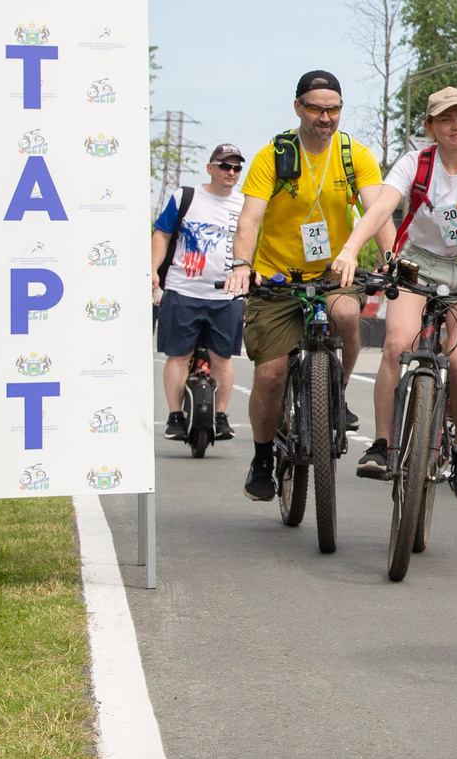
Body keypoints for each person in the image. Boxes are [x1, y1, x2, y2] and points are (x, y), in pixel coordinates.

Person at [333, 88, 457, 500]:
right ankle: (382, 442)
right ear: (430, 127)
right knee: (396, 345)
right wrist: (349, 250)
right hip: (418, 265)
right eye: (446, 119)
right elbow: (379, 209)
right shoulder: (415, 163)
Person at [223, 72, 392, 503]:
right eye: (316, 107)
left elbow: (377, 215)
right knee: (271, 373)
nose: (325, 116)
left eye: (333, 108)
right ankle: (262, 456)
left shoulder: (356, 156)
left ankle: (335, 394)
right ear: (298, 107)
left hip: (336, 274)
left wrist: (393, 261)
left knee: (347, 314)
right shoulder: (273, 156)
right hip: (278, 278)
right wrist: (243, 265)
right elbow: (250, 219)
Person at [151, 142, 247, 443]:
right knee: (179, 356)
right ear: (210, 168)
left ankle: (220, 415)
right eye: (224, 166)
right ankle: (174, 416)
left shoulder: (244, 204)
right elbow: (163, 233)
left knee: (223, 358)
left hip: (226, 295)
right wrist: (152, 270)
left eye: (236, 167)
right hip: (183, 290)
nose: (231, 172)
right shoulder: (186, 197)